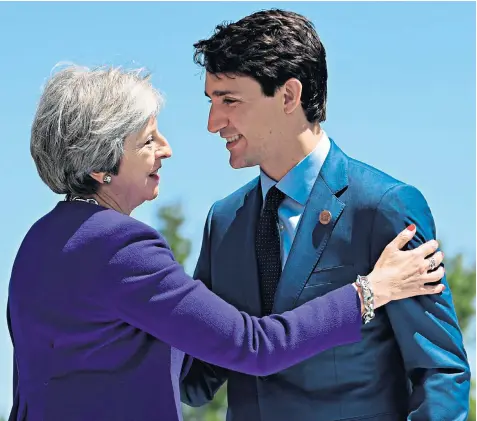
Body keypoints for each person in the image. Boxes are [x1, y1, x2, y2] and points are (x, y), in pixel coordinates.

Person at [5, 65, 446, 421]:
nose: (167, 148)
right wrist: (370, 292)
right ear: (102, 167)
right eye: (147, 139)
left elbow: (187, 372)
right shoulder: (123, 248)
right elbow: (253, 346)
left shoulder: (38, 243)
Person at [180, 8, 470, 421]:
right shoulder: (223, 221)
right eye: (211, 101)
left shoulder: (386, 207)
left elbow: (440, 372)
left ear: (288, 96)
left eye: (229, 100)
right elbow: (198, 374)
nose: (213, 122)